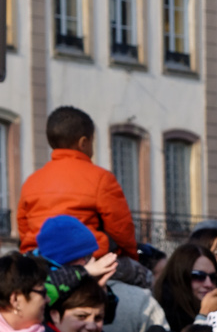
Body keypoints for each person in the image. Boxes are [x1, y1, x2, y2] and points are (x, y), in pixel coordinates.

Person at [33, 213, 167, 332]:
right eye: (82, 257)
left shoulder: (79, 276)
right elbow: (48, 290)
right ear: (63, 258)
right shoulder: (38, 275)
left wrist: (101, 292)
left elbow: (108, 317)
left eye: (89, 255)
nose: (88, 261)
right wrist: (86, 272)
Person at [17, 108, 137, 261]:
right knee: (147, 276)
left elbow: (24, 228)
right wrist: (131, 257)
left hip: (40, 261)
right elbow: (121, 230)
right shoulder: (101, 178)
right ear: (83, 143)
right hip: (86, 259)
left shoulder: (31, 181)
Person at [154, 242, 217, 332]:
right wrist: (204, 315)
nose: (208, 284)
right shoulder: (162, 316)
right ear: (180, 277)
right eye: (198, 276)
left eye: (213, 277)